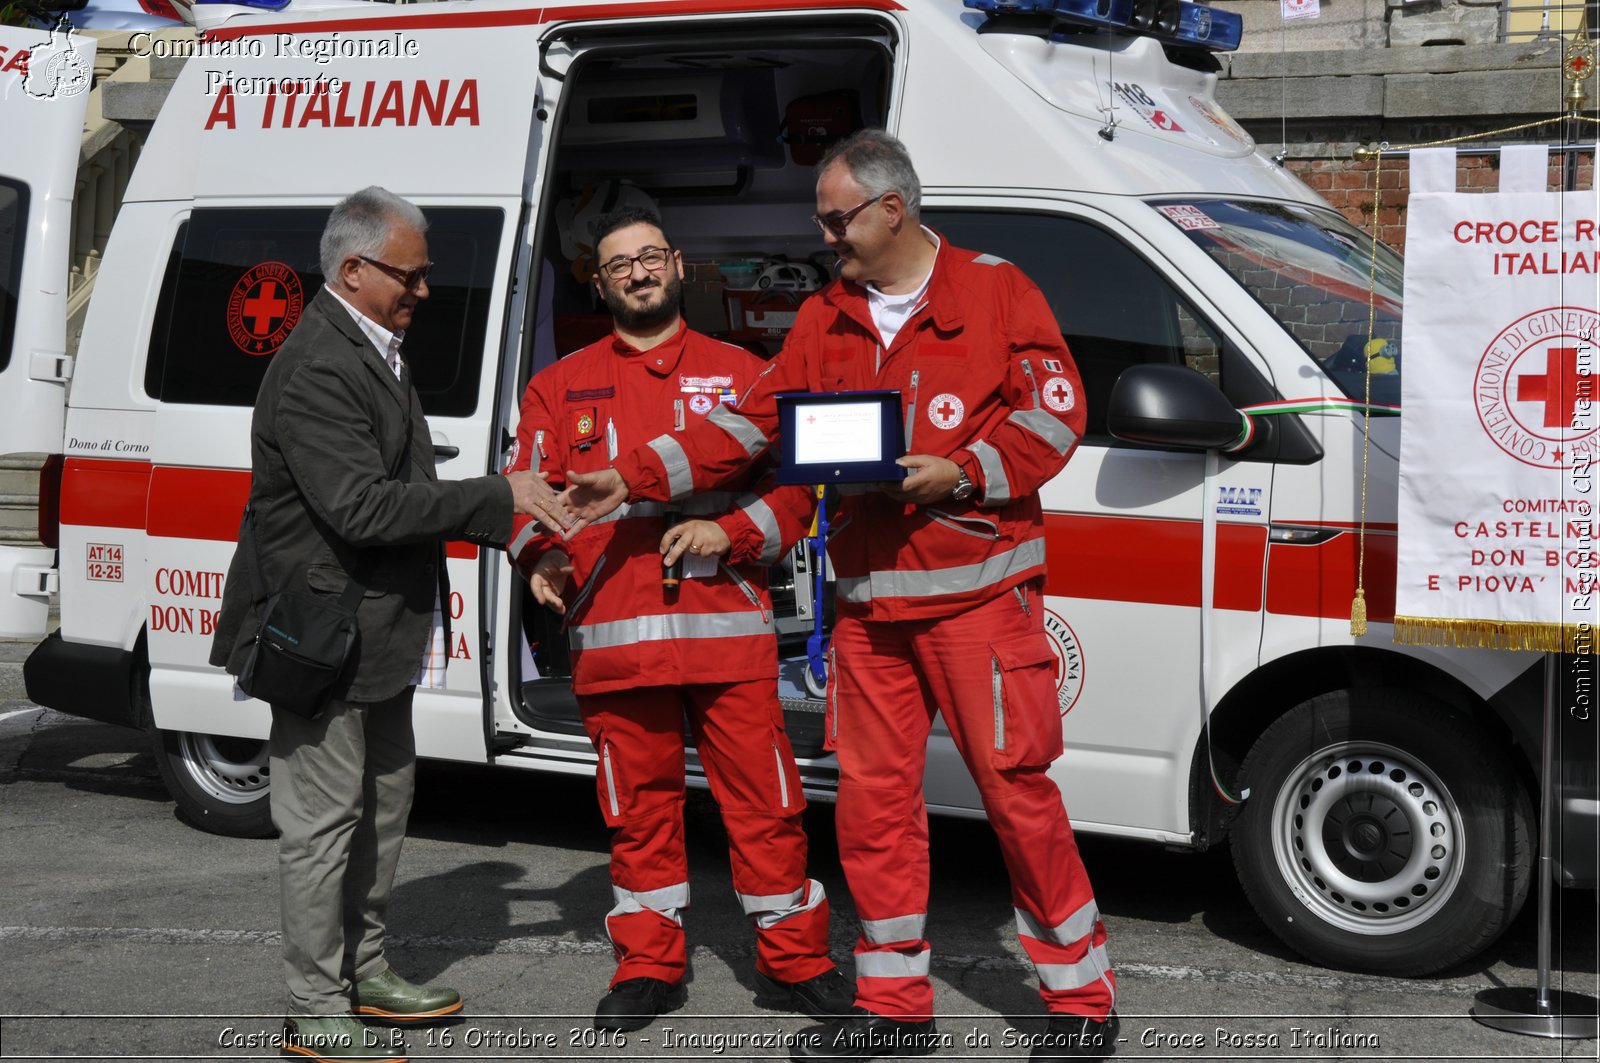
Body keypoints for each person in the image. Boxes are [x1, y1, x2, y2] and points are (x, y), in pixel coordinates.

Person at [564, 132, 1118, 1061]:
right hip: (867, 611)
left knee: (1017, 796)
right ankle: (896, 1008)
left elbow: (1055, 414)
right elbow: (749, 425)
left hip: (979, 597)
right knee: (871, 809)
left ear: (891, 209)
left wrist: (963, 472)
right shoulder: (826, 316)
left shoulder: (996, 289)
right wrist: (631, 477)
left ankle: (1082, 1002)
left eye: (836, 219)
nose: (825, 237)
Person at [211, 187, 570, 1063]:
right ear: (353, 270)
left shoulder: (374, 345)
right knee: (323, 826)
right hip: (321, 640)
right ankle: (314, 1005)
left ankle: (365, 972)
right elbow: (362, 507)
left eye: (426, 272)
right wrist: (499, 495)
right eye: (409, 275)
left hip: (372, 639)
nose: (424, 289)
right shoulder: (318, 364)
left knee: (379, 814)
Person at [504, 206, 853, 1033]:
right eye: (619, 263)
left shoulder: (745, 373)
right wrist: (537, 555)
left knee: (767, 806)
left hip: (725, 633)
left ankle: (795, 960)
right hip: (615, 641)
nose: (637, 271)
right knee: (638, 812)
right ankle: (649, 963)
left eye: (650, 256)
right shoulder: (559, 384)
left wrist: (731, 531)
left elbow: (798, 492)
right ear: (601, 281)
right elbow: (523, 490)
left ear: (679, 265)